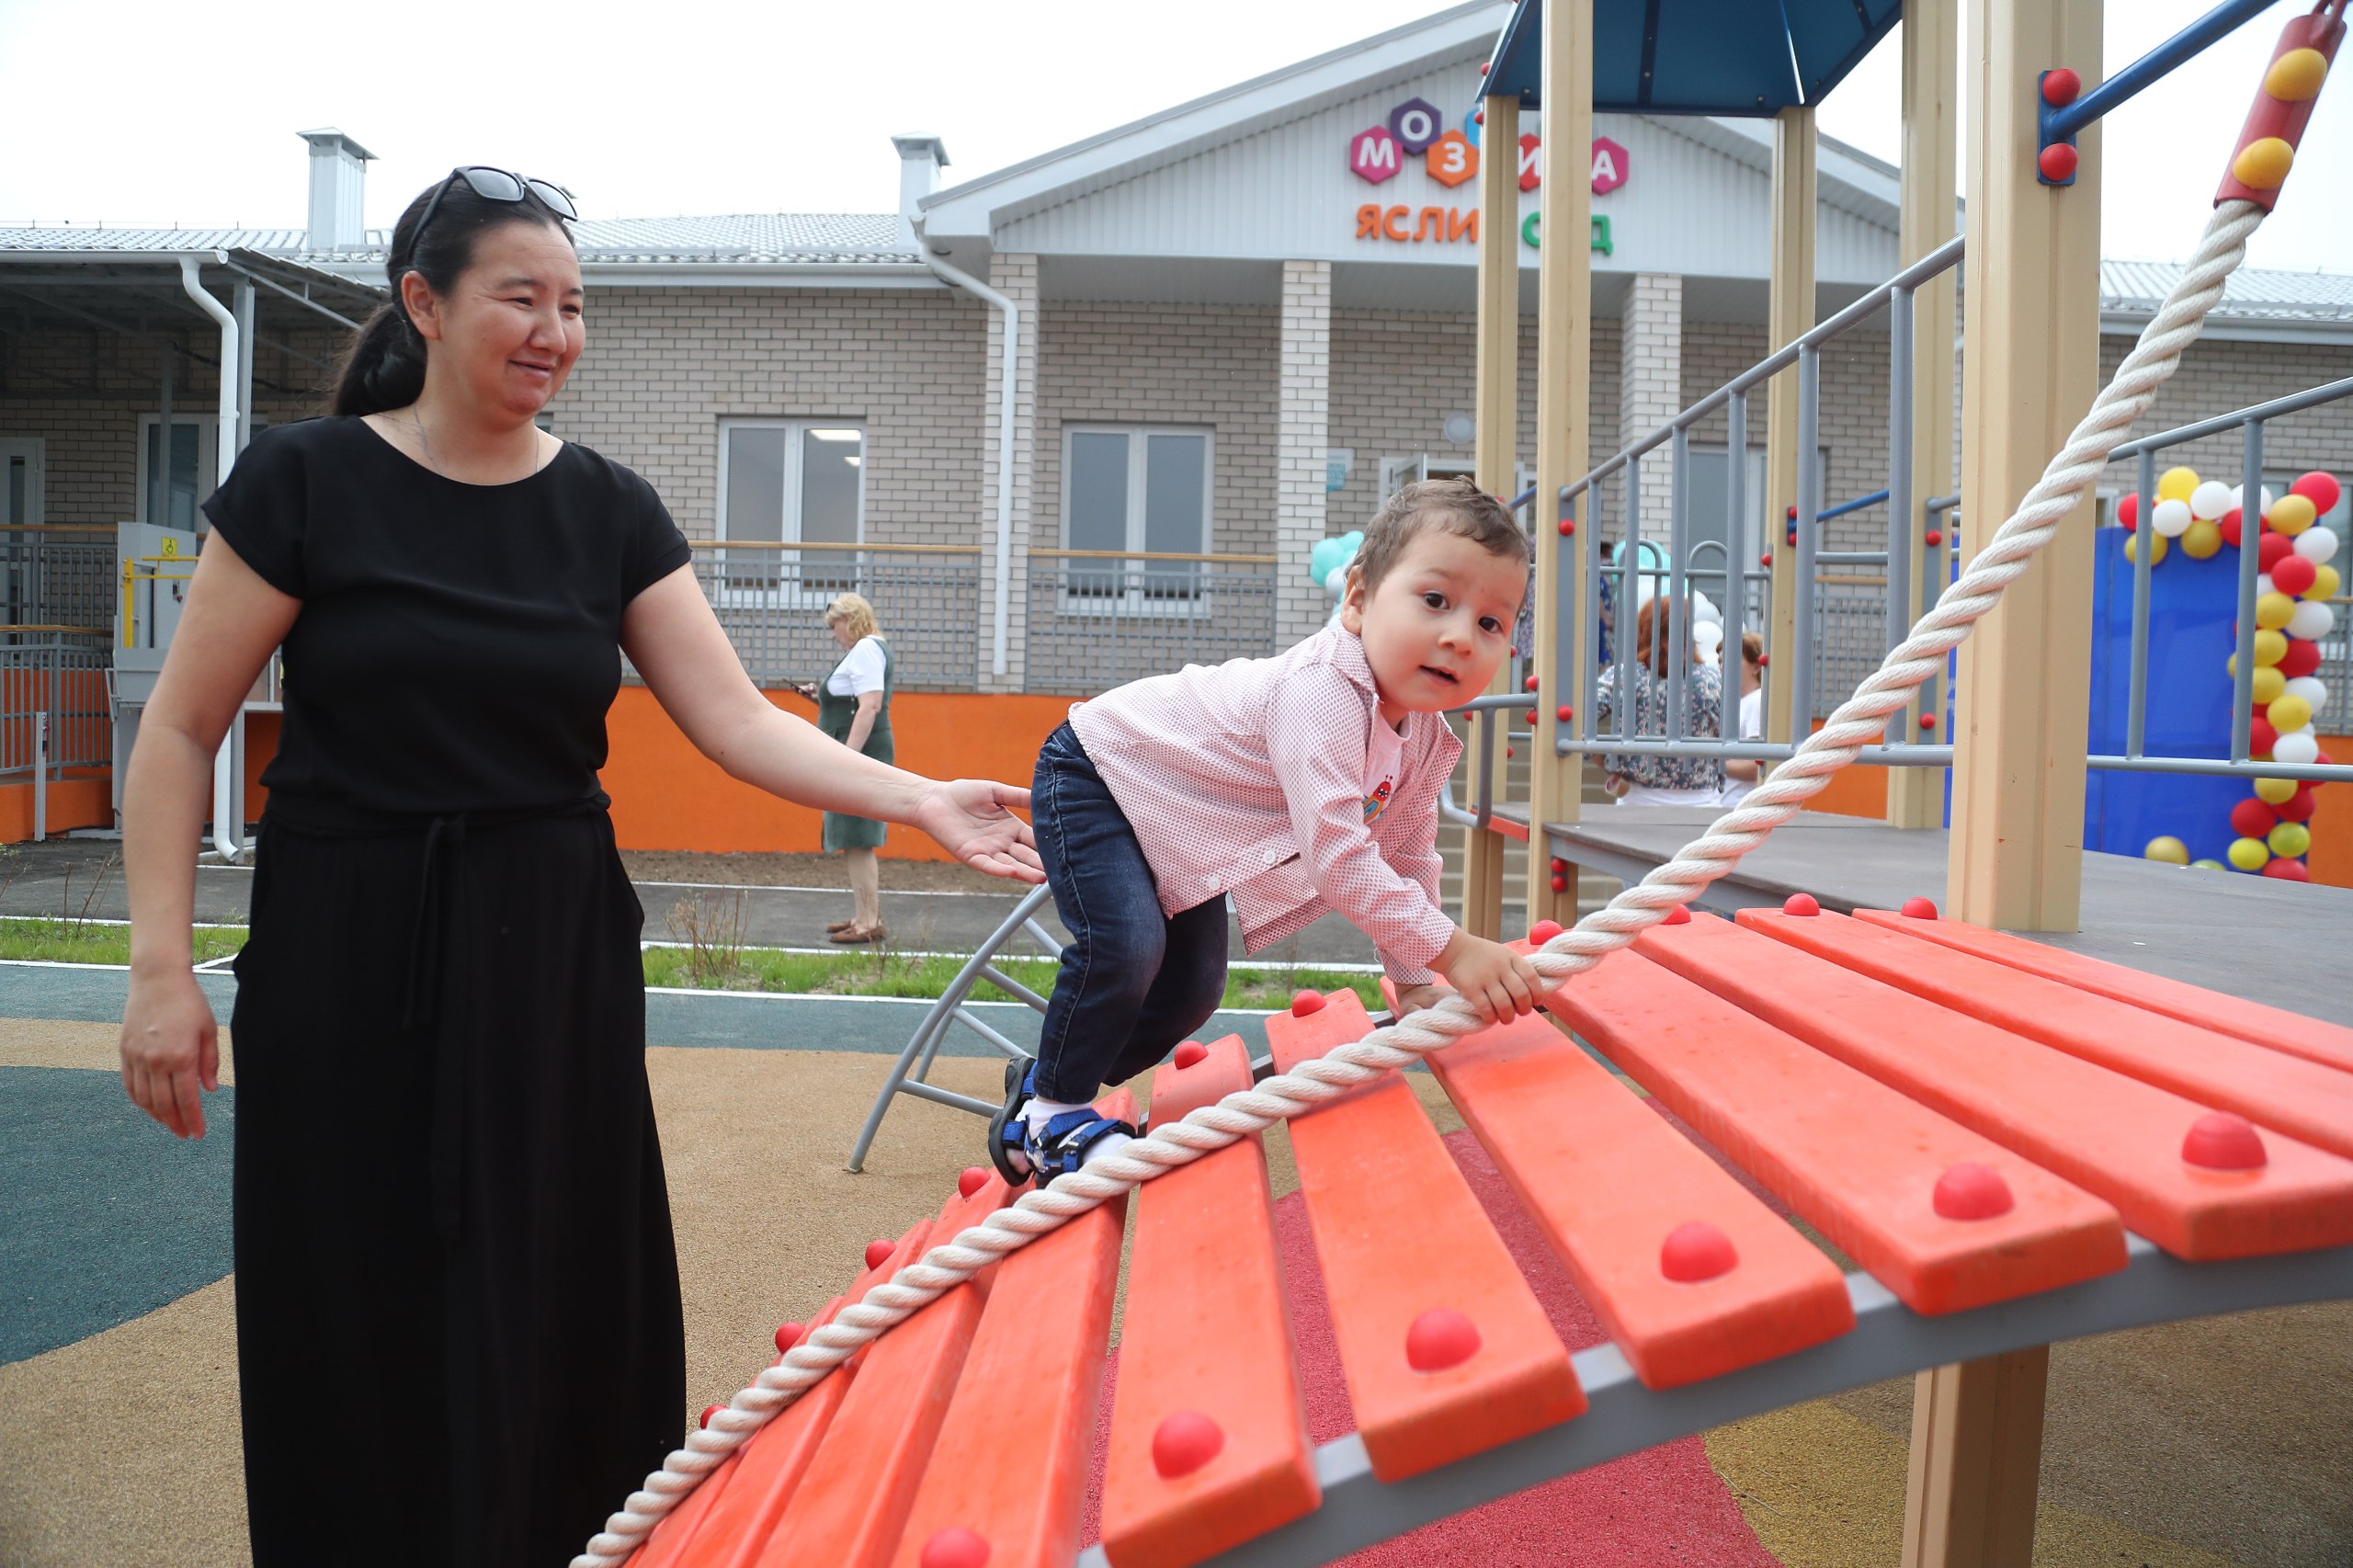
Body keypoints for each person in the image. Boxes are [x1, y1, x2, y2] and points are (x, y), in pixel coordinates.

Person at [113, 167, 1040, 1568]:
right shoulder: (306, 481)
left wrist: (920, 798)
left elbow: (732, 720)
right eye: (522, 298)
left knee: (555, 1281)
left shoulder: (609, 507)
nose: (556, 330)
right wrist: (158, 966)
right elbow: (182, 727)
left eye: (574, 305)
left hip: (550, 948)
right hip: (347, 942)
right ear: (424, 304)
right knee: (352, 1283)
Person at [987, 477, 1548, 1186]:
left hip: (1180, 810)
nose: (1459, 636)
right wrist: (1454, 950)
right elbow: (1340, 859)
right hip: (1101, 770)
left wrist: (1413, 981)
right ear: (1358, 598)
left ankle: (1041, 1083)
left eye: (1491, 624)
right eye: (1435, 601)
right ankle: (1048, 1117)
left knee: (1191, 989)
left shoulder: (1425, 738)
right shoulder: (1322, 691)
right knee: (1128, 944)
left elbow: (1405, 854)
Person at [794, 592, 893, 944]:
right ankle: (864, 916)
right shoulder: (868, 649)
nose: (834, 634)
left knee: (859, 838)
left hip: (857, 753)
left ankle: (869, 924)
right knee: (854, 839)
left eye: (835, 627)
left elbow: (869, 707)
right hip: (856, 750)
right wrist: (818, 698)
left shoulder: (866, 648)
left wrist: (847, 759)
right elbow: (855, 703)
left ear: (851, 620)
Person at [1596, 597, 1725, 805]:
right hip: (1701, 799)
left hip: (1638, 797)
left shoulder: (1624, 676)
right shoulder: (1710, 679)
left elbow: (1582, 718)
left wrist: (1606, 761)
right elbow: (1730, 734)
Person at [1718, 631, 1767, 808]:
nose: (1723, 666)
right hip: (1729, 803)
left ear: (1756, 667)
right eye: (1721, 661)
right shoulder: (1737, 703)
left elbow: (1757, 766)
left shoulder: (1757, 701)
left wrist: (1710, 764)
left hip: (1739, 805)